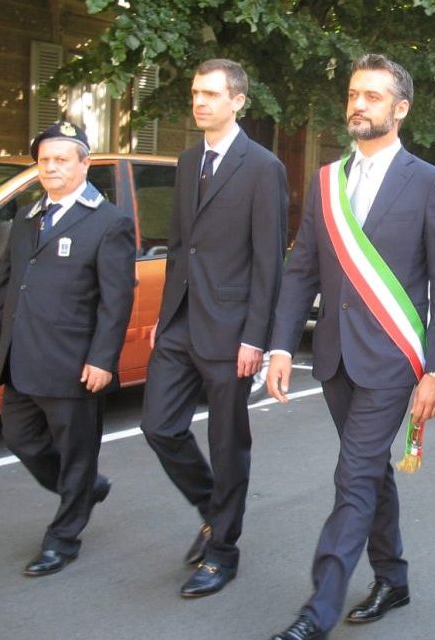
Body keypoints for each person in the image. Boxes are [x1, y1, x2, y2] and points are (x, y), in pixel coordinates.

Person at [264, 54, 435, 640]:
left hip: (391, 362)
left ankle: (316, 614)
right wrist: (281, 347)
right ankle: (393, 577)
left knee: (352, 477)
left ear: (400, 110)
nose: (359, 104)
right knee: (371, 471)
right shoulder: (327, 181)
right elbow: (301, 271)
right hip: (332, 358)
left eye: (373, 96)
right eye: (354, 94)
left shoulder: (429, 183)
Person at [140, 59, 289, 598]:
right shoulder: (186, 161)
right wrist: (163, 317)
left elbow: (269, 260)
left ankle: (223, 550)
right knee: (158, 426)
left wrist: (257, 337)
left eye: (210, 94)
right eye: (195, 93)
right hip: (181, 323)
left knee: (228, 444)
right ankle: (212, 508)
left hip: (232, 331)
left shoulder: (262, 167)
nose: (199, 102)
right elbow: (180, 247)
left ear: (238, 101)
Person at [0, 120, 136, 575]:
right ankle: (83, 487)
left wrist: (103, 359)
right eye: (44, 160)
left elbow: (116, 299)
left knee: (77, 453)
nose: (52, 167)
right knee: (19, 437)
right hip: (22, 357)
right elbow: (7, 286)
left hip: (73, 365)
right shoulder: (27, 217)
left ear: (84, 164)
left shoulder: (109, 222)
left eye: (62, 159)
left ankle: (62, 539)